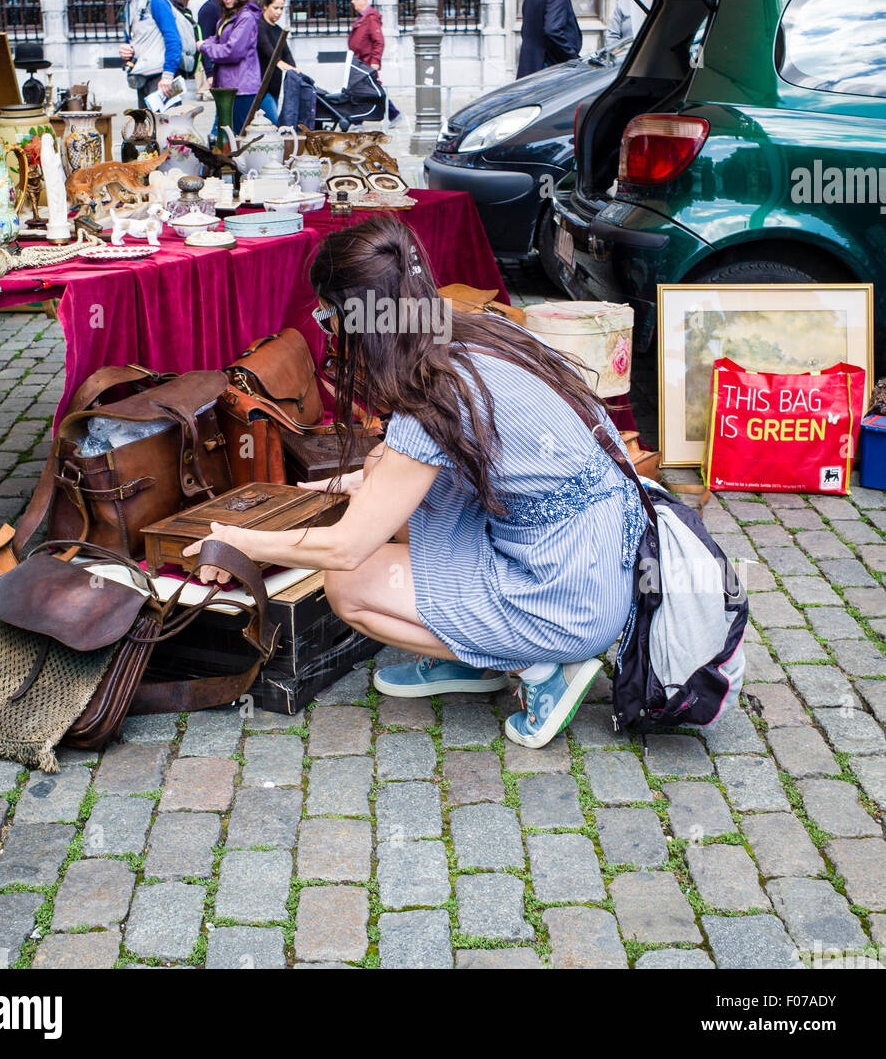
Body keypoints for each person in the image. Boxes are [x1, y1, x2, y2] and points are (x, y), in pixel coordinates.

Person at [184, 216, 646, 750]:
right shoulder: (477, 331)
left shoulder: (432, 396)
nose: (327, 330)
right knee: (393, 496)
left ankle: (540, 668)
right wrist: (363, 483)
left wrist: (239, 542)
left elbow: (346, 546)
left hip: (570, 599)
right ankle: (479, 654)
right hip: (606, 559)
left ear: (353, 319)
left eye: (326, 316)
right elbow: (411, 463)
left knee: (348, 587)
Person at [196, 0, 262, 135]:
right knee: (224, 137)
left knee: (236, 138)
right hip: (229, 86)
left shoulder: (245, 17)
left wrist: (204, 46)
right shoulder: (230, 16)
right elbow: (218, 40)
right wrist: (208, 43)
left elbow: (231, 51)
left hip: (241, 88)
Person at [114, 0, 182, 108]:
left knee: (169, 129)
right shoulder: (128, 5)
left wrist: (168, 75)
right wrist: (126, 49)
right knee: (147, 129)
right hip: (143, 77)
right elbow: (134, 39)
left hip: (162, 79)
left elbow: (173, 38)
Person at [256, 0, 297, 124]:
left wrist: (295, 70)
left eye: (281, 8)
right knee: (274, 124)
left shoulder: (278, 30)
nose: (279, 12)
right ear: (266, 6)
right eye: (275, 8)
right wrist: (281, 64)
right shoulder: (259, 26)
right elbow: (267, 49)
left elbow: (286, 53)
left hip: (274, 85)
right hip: (261, 85)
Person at [348, 0, 384, 71]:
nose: (352, 1)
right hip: (359, 63)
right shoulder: (362, 17)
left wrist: (375, 61)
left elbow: (379, 41)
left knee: (369, 84)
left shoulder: (371, 18)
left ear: (364, 1)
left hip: (366, 64)